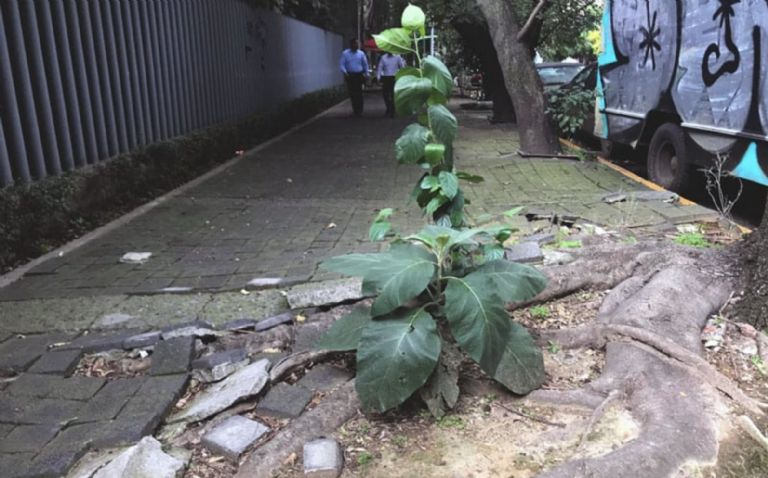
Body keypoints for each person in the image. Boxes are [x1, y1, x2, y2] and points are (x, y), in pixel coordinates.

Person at [339, 39, 369, 116]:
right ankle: (355, 109)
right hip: (350, 75)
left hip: (359, 75)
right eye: (355, 44)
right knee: (352, 93)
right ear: (351, 44)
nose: (356, 45)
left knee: (359, 93)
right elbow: (342, 64)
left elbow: (365, 64)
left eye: (357, 44)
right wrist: (345, 72)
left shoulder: (361, 54)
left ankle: (360, 110)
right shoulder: (345, 53)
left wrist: (367, 74)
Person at [377, 52, 406, 117]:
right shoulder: (383, 57)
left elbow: (402, 67)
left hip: (394, 77)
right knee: (385, 94)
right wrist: (378, 77)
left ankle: (392, 109)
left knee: (393, 94)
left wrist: (402, 76)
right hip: (386, 77)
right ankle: (388, 107)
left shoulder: (398, 57)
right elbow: (380, 67)